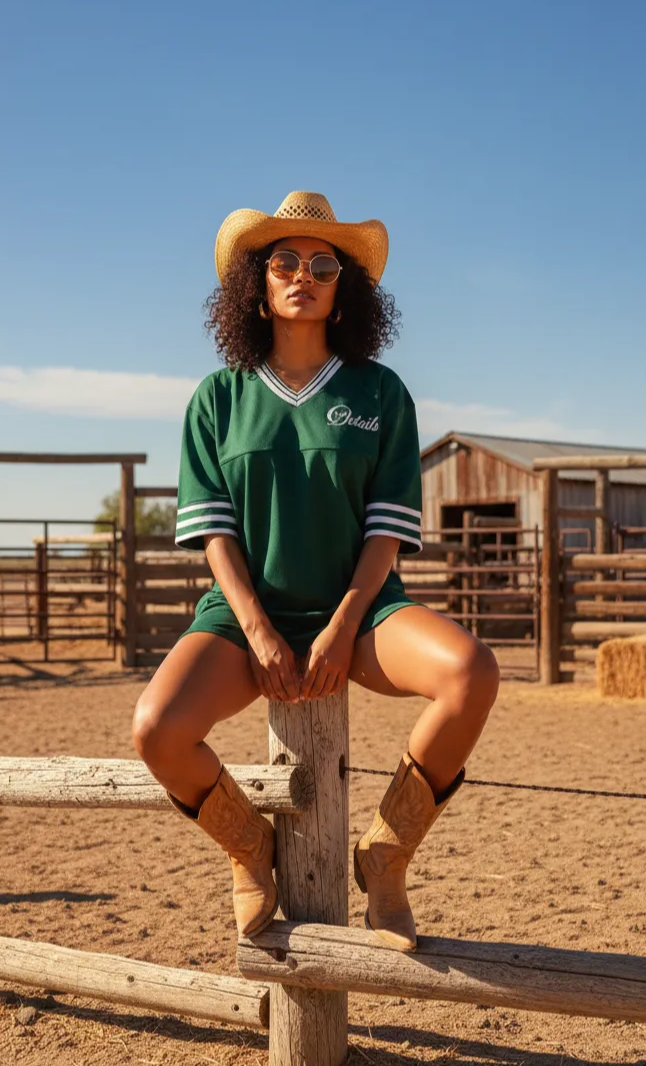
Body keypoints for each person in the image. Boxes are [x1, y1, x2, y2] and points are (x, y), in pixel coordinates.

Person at [132, 191, 500, 952]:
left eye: (323, 264)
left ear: (345, 289)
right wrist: (260, 630)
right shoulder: (217, 398)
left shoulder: (378, 393)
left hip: (361, 616)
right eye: (285, 261)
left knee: (471, 670)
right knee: (157, 732)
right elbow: (215, 535)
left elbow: (384, 532)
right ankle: (249, 853)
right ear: (255, 285)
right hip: (243, 619)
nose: (304, 274)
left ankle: (386, 856)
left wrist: (339, 627)